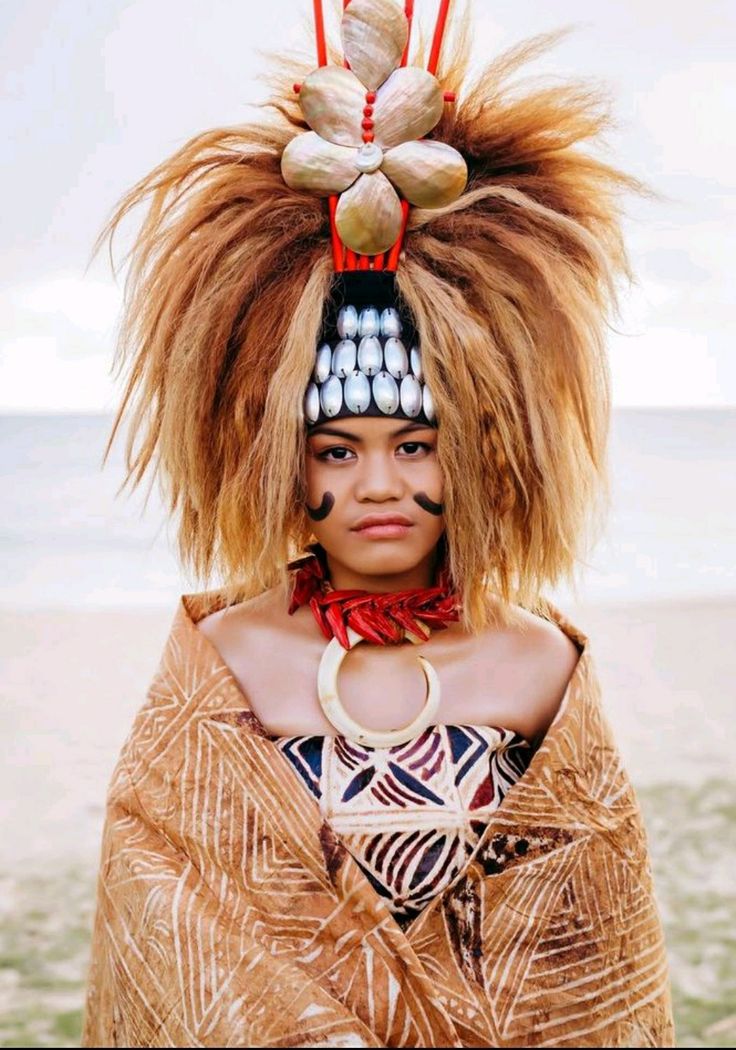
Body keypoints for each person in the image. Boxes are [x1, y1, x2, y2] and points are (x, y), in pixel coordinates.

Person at [82, 0, 675, 1045]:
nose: (377, 486)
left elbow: (590, 963)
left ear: (480, 449)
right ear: (281, 459)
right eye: (335, 449)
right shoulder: (219, 662)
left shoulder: (540, 667)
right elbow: (165, 921)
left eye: (414, 445)